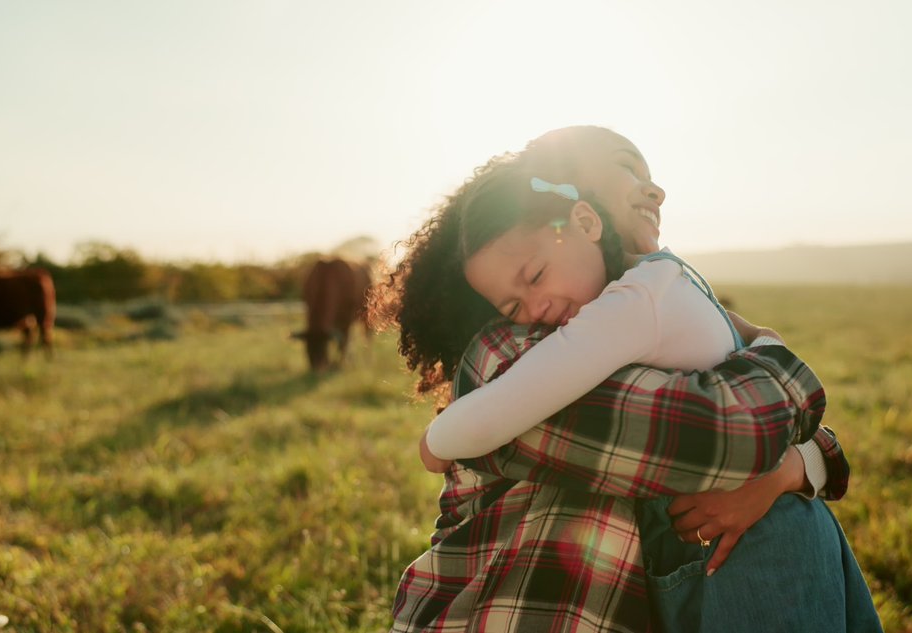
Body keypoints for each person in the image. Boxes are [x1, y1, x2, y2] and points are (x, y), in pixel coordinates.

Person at [374, 127, 880, 631]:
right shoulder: (515, 351)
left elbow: (814, 444)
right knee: (779, 523)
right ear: (573, 204)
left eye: (649, 173)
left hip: (621, 602)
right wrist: (777, 393)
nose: (653, 189)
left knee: (787, 516)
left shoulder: (640, 306)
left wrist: (791, 466)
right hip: (516, 615)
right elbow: (733, 437)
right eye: (624, 167)